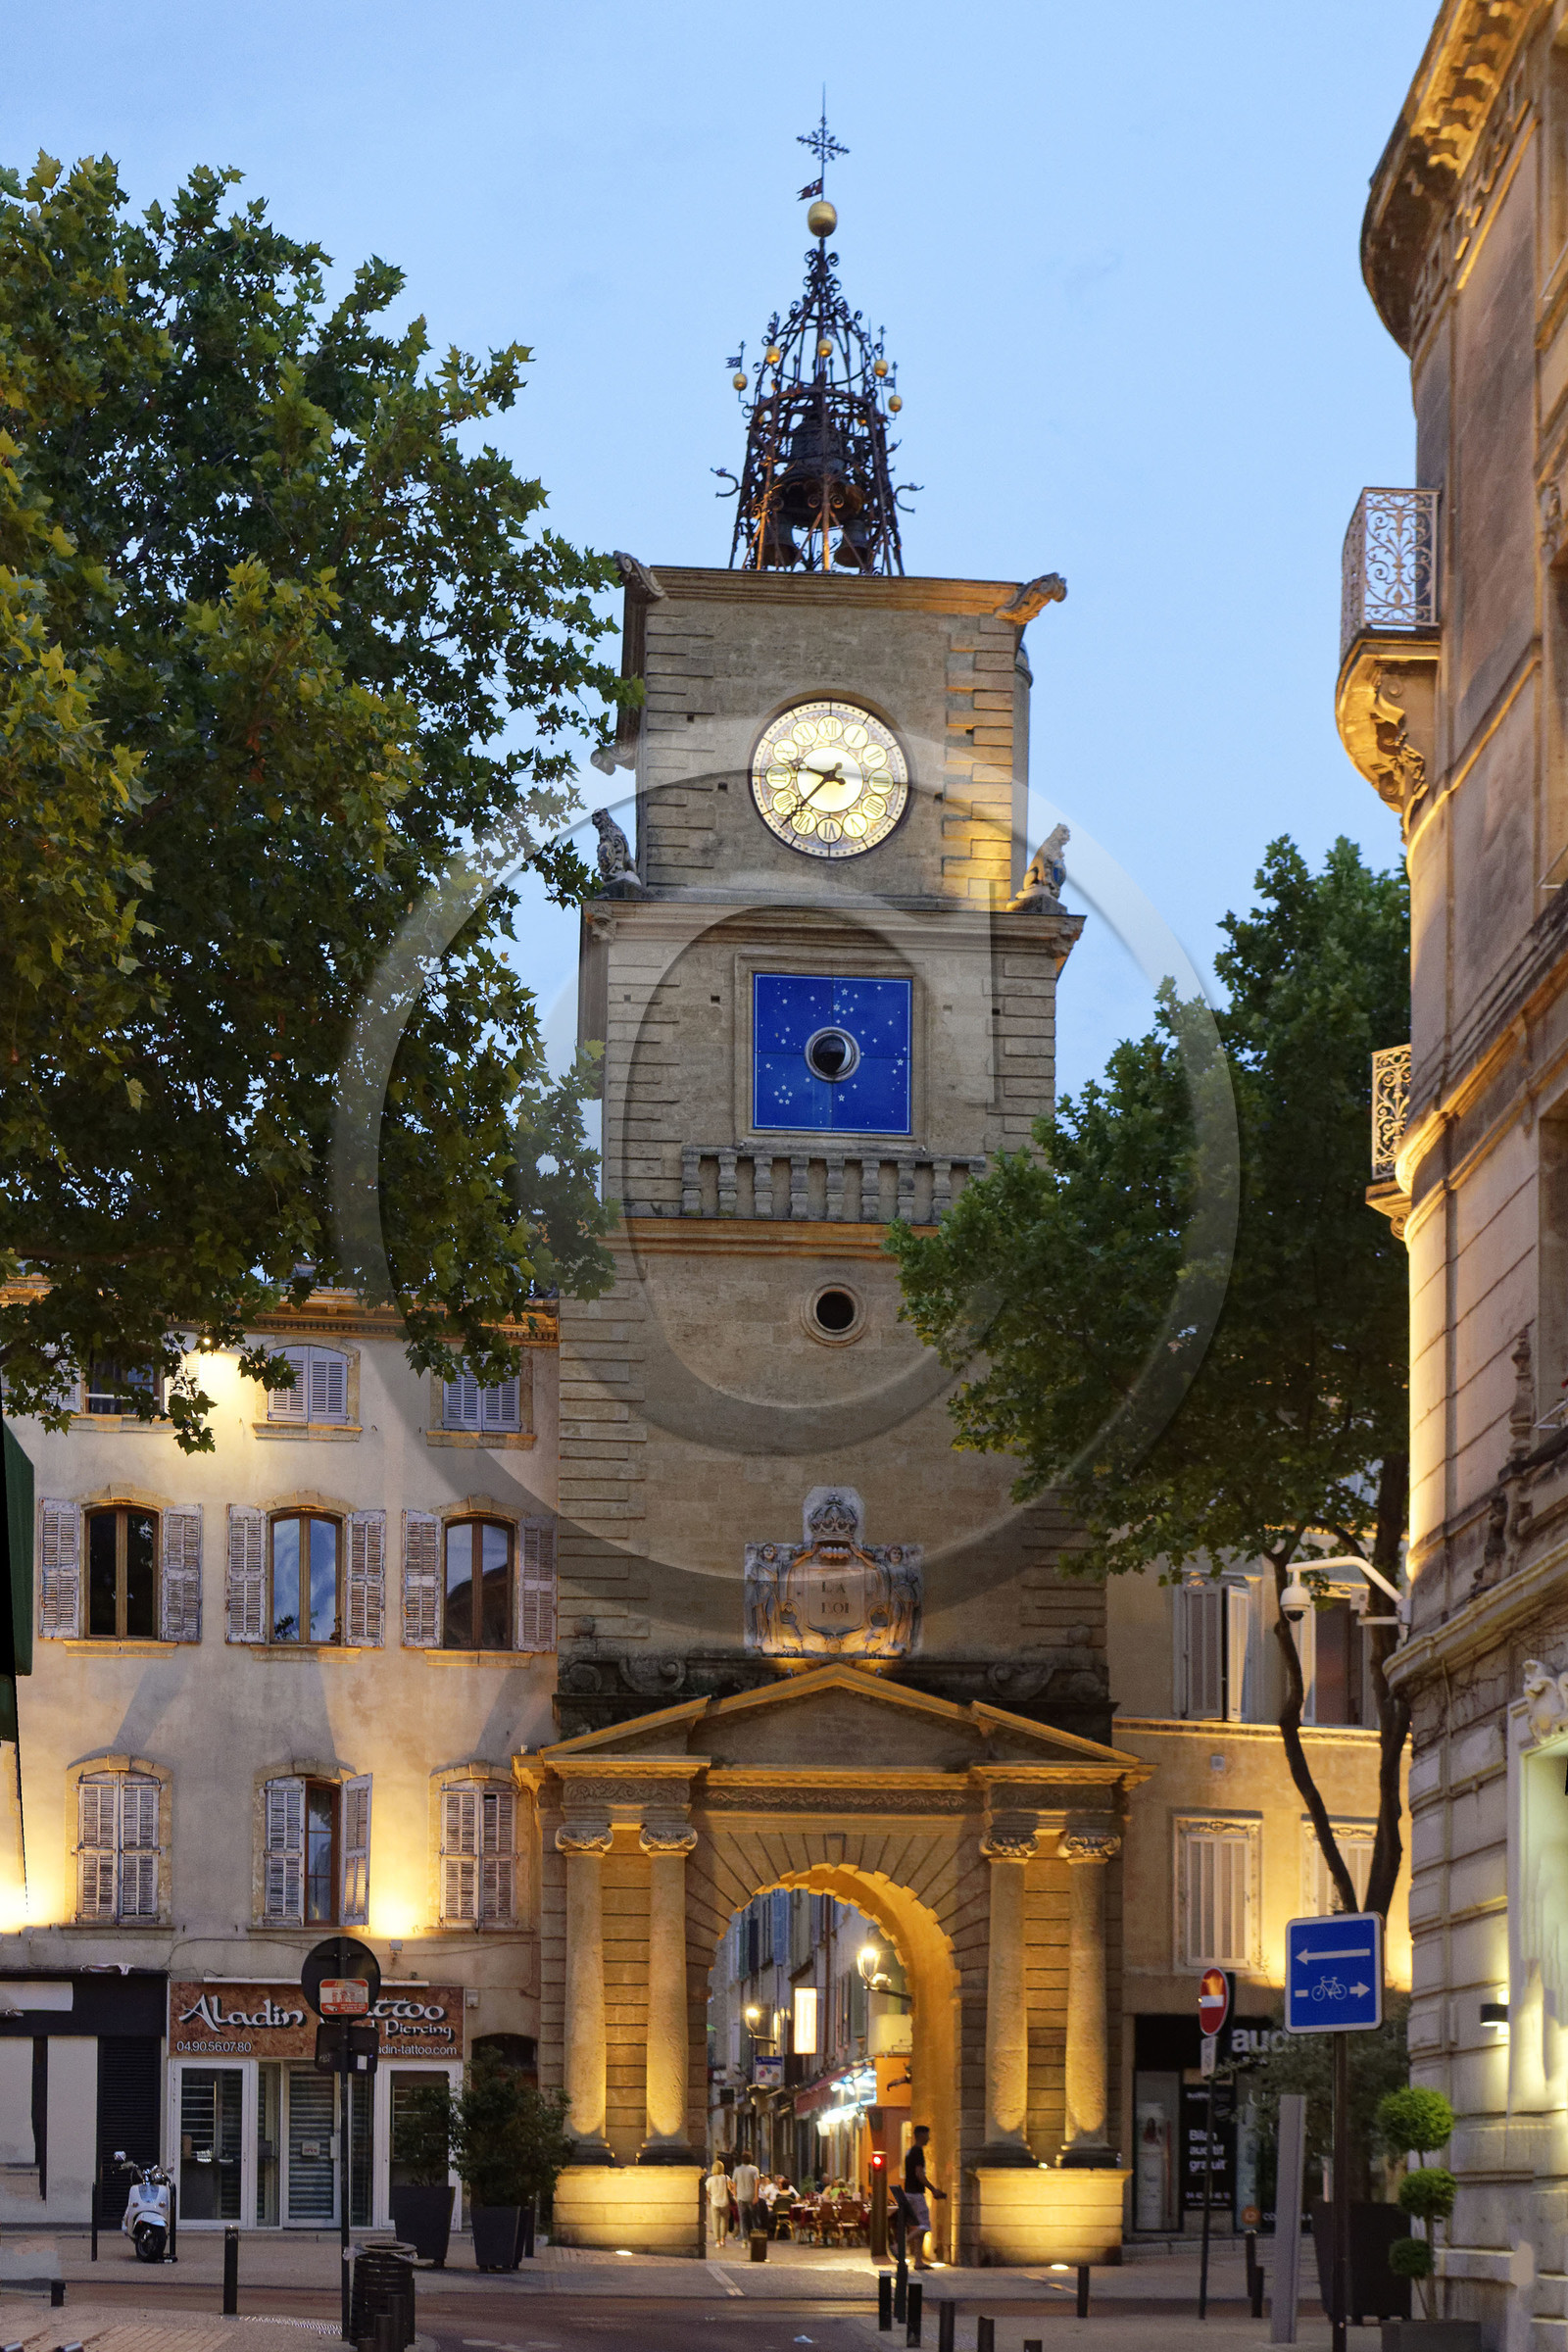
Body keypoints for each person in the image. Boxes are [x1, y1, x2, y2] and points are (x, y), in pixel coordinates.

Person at [903, 2125, 946, 2270]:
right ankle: (899, 2245)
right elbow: (919, 2173)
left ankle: (918, 2261)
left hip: (909, 2192)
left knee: (920, 2226)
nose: (929, 2138)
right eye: (927, 2135)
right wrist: (933, 2190)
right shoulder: (918, 2152)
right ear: (921, 2135)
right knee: (925, 2225)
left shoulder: (909, 2152)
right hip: (916, 2194)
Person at [731, 2151, 760, 2237]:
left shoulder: (737, 2170)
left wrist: (735, 2195)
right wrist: (756, 2196)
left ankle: (744, 2238)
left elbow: (734, 2184)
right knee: (753, 2217)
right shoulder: (754, 2169)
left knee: (742, 2218)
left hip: (741, 2197)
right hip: (751, 2196)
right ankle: (755, 2236)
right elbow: (757, 2183)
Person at [706, 2156, 733, 2250]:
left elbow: (706, 2191)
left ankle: (717, 2241)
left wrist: (709, 2199)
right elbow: (731, 2188)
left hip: (714, 2202)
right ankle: (723, 2239)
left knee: (715, 2222)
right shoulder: (726, 2178)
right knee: (724, 2222)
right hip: (725, 2202)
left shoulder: (710, 2179)